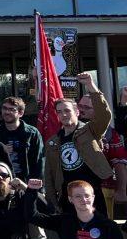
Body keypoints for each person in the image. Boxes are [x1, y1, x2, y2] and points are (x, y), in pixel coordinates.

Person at [45, 72, 113, 214]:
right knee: (71, 234)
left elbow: (104, 115)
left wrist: (90, 85)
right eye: (59, 112)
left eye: (67, 111)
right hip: (68, 196)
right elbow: (49, 174)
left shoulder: (90, 130)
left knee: (98, 233)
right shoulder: (53, 142)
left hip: (93, 193)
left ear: (77, 112)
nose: (63, 115)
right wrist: (52, 200)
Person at [78, 89, 127, 217]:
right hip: (76, 188)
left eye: (86, 107)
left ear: (97, 111)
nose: (81, 110)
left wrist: (122, 190)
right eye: (80, 106)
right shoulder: (70, 129)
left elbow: (119, 164)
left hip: (102, 188)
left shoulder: (110, 134)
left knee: (103, 227)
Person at [0, 96, 44, 180]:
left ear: (21, 113)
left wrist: (36, 187)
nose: (7, 112)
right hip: (3, 181)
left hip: (26, 182)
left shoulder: (32, 133)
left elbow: (38, 162)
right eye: (4, 108)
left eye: (12, 109)